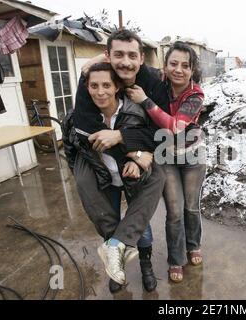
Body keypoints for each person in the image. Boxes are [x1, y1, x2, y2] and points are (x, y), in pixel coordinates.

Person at [63, 29, 169, 293]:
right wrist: (82, 169)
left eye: (132, 55)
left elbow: (164, 133)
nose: (125, 61)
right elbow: (78, 141)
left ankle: (145, 263)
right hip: (104, 175)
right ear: (108, 56)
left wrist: (138, 151)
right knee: (107, 217)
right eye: (118, 55)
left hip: (132, 172)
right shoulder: (84, 106)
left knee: (138, 222)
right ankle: (116, 260)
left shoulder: (142, 99)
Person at [128, 41, 206, 283]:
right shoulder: (160, 83)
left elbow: (175, 127)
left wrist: (145, 101)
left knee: (191, 207)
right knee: (174, 211)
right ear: (165, 65)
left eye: (185, 65)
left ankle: (193, 245)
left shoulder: (196, 94)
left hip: (193, 156)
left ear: (193, 69)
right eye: (174, 63)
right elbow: (131, 65)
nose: (179, 70)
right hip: (165, 157)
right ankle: (175, 258)